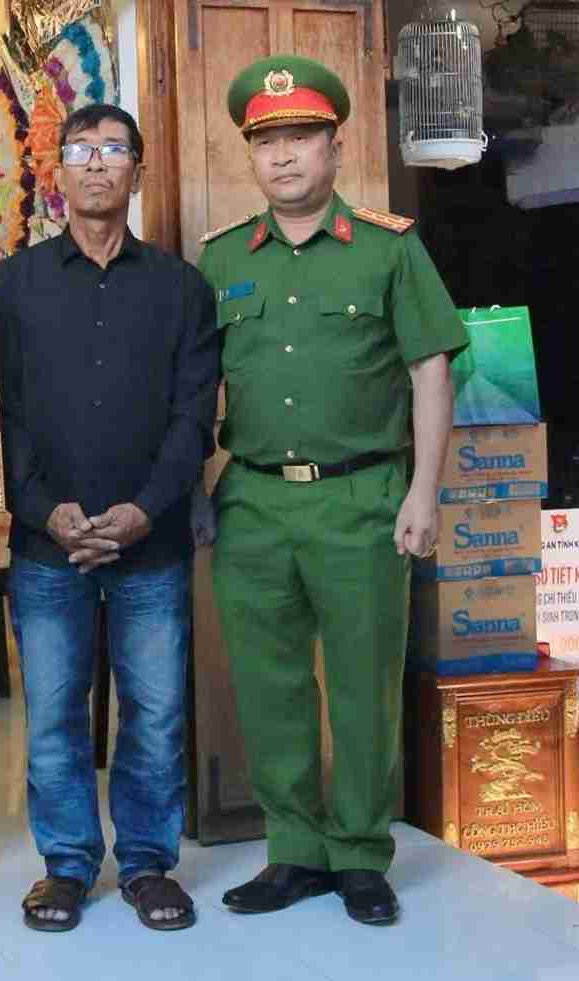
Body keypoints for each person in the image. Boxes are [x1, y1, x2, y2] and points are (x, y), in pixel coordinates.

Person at [197, 56, 465, 925]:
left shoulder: (389, 247)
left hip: (363, 498)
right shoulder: (222, 258)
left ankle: (358, 852)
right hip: (257, 504)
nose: (282, 157)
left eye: (299, 137)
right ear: (250, 155)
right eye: (265, 141)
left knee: (362, 682)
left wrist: (424, 493)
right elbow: (192, 388)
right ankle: (293, 851)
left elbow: (430, 369)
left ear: (334, 147)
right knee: (269, 684)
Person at [0, 104, 220, 932]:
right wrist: (46, 510)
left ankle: (150, 864)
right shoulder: (12, 284)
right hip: (47, 547)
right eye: (79, 151)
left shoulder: (181, 286)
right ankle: (68, 865)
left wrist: (141, 510)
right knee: (53, 710)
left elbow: (195, 416)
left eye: (112, 150)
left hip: (148, 546)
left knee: (153, 712)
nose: (95, 165)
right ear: (57, 170)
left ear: (137, 169)